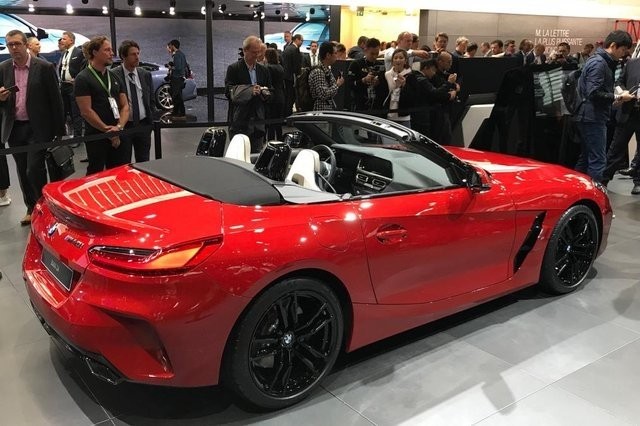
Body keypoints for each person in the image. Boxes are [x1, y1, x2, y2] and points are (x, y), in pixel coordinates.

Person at [0, 30, 65, 225]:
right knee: (22, 170)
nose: (14, 48)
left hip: (38, 128)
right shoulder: (3, 68)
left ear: (26, 45)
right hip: (15, 128)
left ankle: (44, 207)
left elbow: (56, 100)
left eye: (17, 44)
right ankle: (31, 208)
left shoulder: (43, 67)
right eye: (10, 45)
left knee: (34, 169)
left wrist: (59, 131)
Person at [574, 30, 634, 183]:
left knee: (586, 158)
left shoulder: (599, 61)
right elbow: (593, 93)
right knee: (598, 160)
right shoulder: (599, 63)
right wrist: (618, 97)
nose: (624, 54)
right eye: (622, 50)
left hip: (589, 115)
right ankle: (596, 195)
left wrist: (614, 99)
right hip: (592, 117)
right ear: (613, 45)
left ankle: (577, 190)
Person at [74, 36, 130, 175]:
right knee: (96, 173)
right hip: (96, 136)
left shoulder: (114, 76)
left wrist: (118, 127)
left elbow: (125, 106)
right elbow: (86, 111)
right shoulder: (83, 78)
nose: (112, 53)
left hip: (118, 133)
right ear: (95, 52)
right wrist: (107, 130)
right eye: (107, 50)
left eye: (111, 50)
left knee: (120, 173)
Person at [225, 35, 272, 152]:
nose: (257, 55)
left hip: (258, 121)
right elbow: (228, 92)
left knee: (256, 155)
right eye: (254, 52)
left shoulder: (264, 70)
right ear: (245, 50)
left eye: (259, 52)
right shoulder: (233, 68)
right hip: (240, 120)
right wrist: (249, 91)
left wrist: (264, 92)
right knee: (238, 154)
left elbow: (271, 91)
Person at [112, 40, 155, 163]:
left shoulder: (145, 74)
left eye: (138, 53)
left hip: (143, 125)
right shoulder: (114, 75)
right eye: (133, 54)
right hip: (124, 126)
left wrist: (151, 121)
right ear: (123, 56)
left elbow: (151, 99)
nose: (137, 57)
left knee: (144, 161)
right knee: (123, 161)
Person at [602, 57, 640, 193]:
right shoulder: (631, 63)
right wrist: (623, 92)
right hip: (627, 113)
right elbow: (619, 82)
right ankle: (603, 180)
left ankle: (638, 182)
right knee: (616, 148)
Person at [402, 58, 456, 139]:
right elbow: (435, 93)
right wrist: (449, 83)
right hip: (420, 116)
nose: (434, 73)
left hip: (417, 115)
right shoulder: (421, 79)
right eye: (433, 70)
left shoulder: (415, 76)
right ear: (426, 68)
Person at [347, 37, 387, 116]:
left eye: (377, 54)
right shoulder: (356, 64)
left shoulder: (381, 65)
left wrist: (379, 82)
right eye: (372, 53)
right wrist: (363, 80)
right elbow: (349, 84)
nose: (374, 56)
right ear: (365, 50)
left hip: (377, 107)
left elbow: (386, 88)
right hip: (360, 106)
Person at [58, 31, 86, 138]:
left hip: (73, 87)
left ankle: (77, 136)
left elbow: (84, 67)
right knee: (63, 111)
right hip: (63, 86)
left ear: (71, 40)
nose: (62, 41)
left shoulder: (79, 53)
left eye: (64, 39)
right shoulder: (64, 53)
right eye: (62, 39)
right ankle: (62, 135)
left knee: (75, 112)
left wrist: (78, 80)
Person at [309, 41, 344, 111]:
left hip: (326, 110)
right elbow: (323, 94)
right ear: (328, 55)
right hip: (319, 111)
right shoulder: (318, 72)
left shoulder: (326, 70)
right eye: (335, 53)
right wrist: (337, 85)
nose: (337, 56)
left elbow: (331, 91)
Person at [384, 48, 411, 126]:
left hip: (404, 115)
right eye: (395, 58)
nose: (398, 60)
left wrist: (404, 85)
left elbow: (413, 95)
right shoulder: (387, 74)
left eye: (401, 58)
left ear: (405, 61)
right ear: (392, 61)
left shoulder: (410, 75)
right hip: (389, 114)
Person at [264, 47, 285, 141]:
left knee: (271, 124)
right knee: (278, 123)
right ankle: (280, 141)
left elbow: (268, 83)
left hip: (272, 97)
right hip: (280, 96)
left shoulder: (268, 68)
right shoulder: (280, 67)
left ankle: (271, 142)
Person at [282, 33, 303, 115]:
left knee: (287, 96)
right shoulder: (295, 49)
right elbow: (296, 65)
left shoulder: (287, 48)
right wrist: (298, 75)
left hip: (286, 76)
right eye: (301, 40)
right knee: (291, 97)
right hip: (292, 77)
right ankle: (289, 115)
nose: (302, 42)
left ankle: (286, 114)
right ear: (297, 39)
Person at [166, 39, 187, 119]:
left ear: (173, 46)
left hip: (176, 78)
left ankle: (181, 113)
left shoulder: (177, 55)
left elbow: (178, 67)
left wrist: (170, 67)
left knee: (177, 96)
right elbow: (184, 65)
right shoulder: (182, 54)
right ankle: (176, 112)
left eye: (170, 46)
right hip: (181, 78)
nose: (169, 48)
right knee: (178, 95)